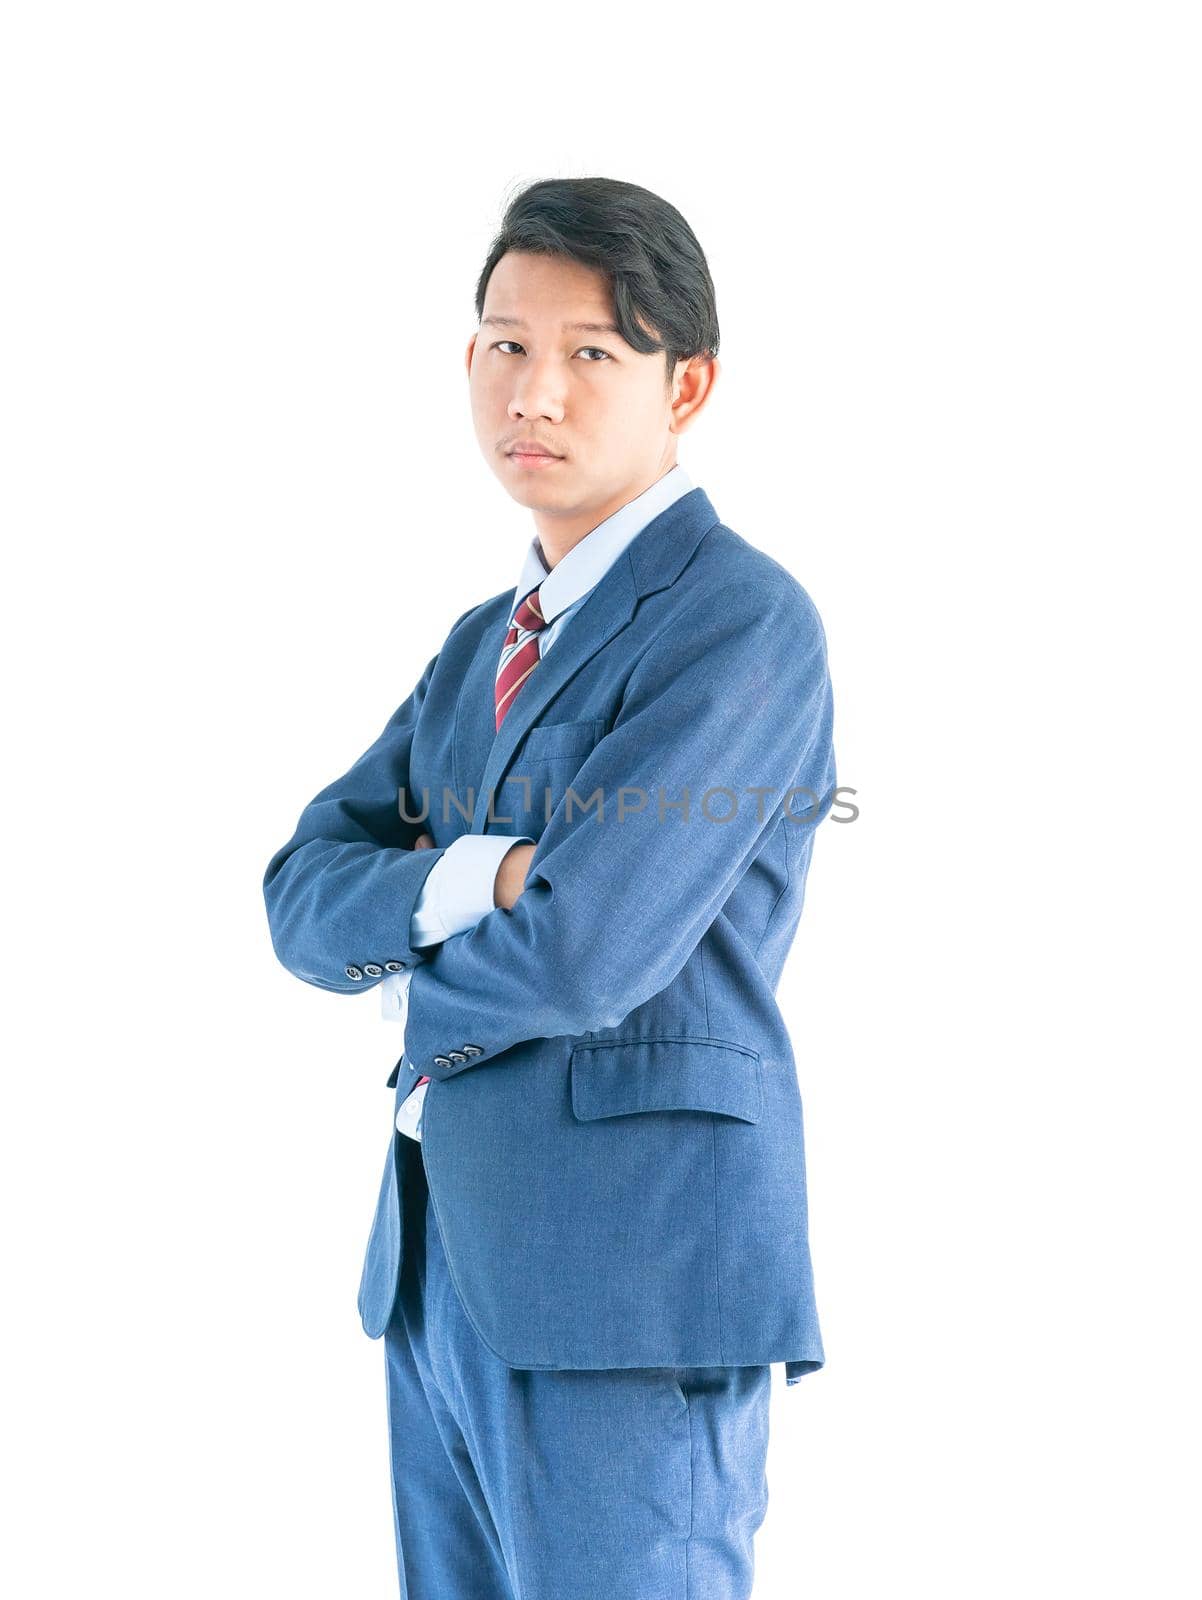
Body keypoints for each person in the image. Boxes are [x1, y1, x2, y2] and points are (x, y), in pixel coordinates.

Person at [262, 175, 838, 1600]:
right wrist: (481, 870)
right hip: (440, 1261)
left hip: (629, 1278)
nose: (538, 390)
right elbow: (298, 894)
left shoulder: (738, 620)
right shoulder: (483, 643)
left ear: (683, 382)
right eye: (507, 345)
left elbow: (590, 949)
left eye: (592, 352)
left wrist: (417, 960)